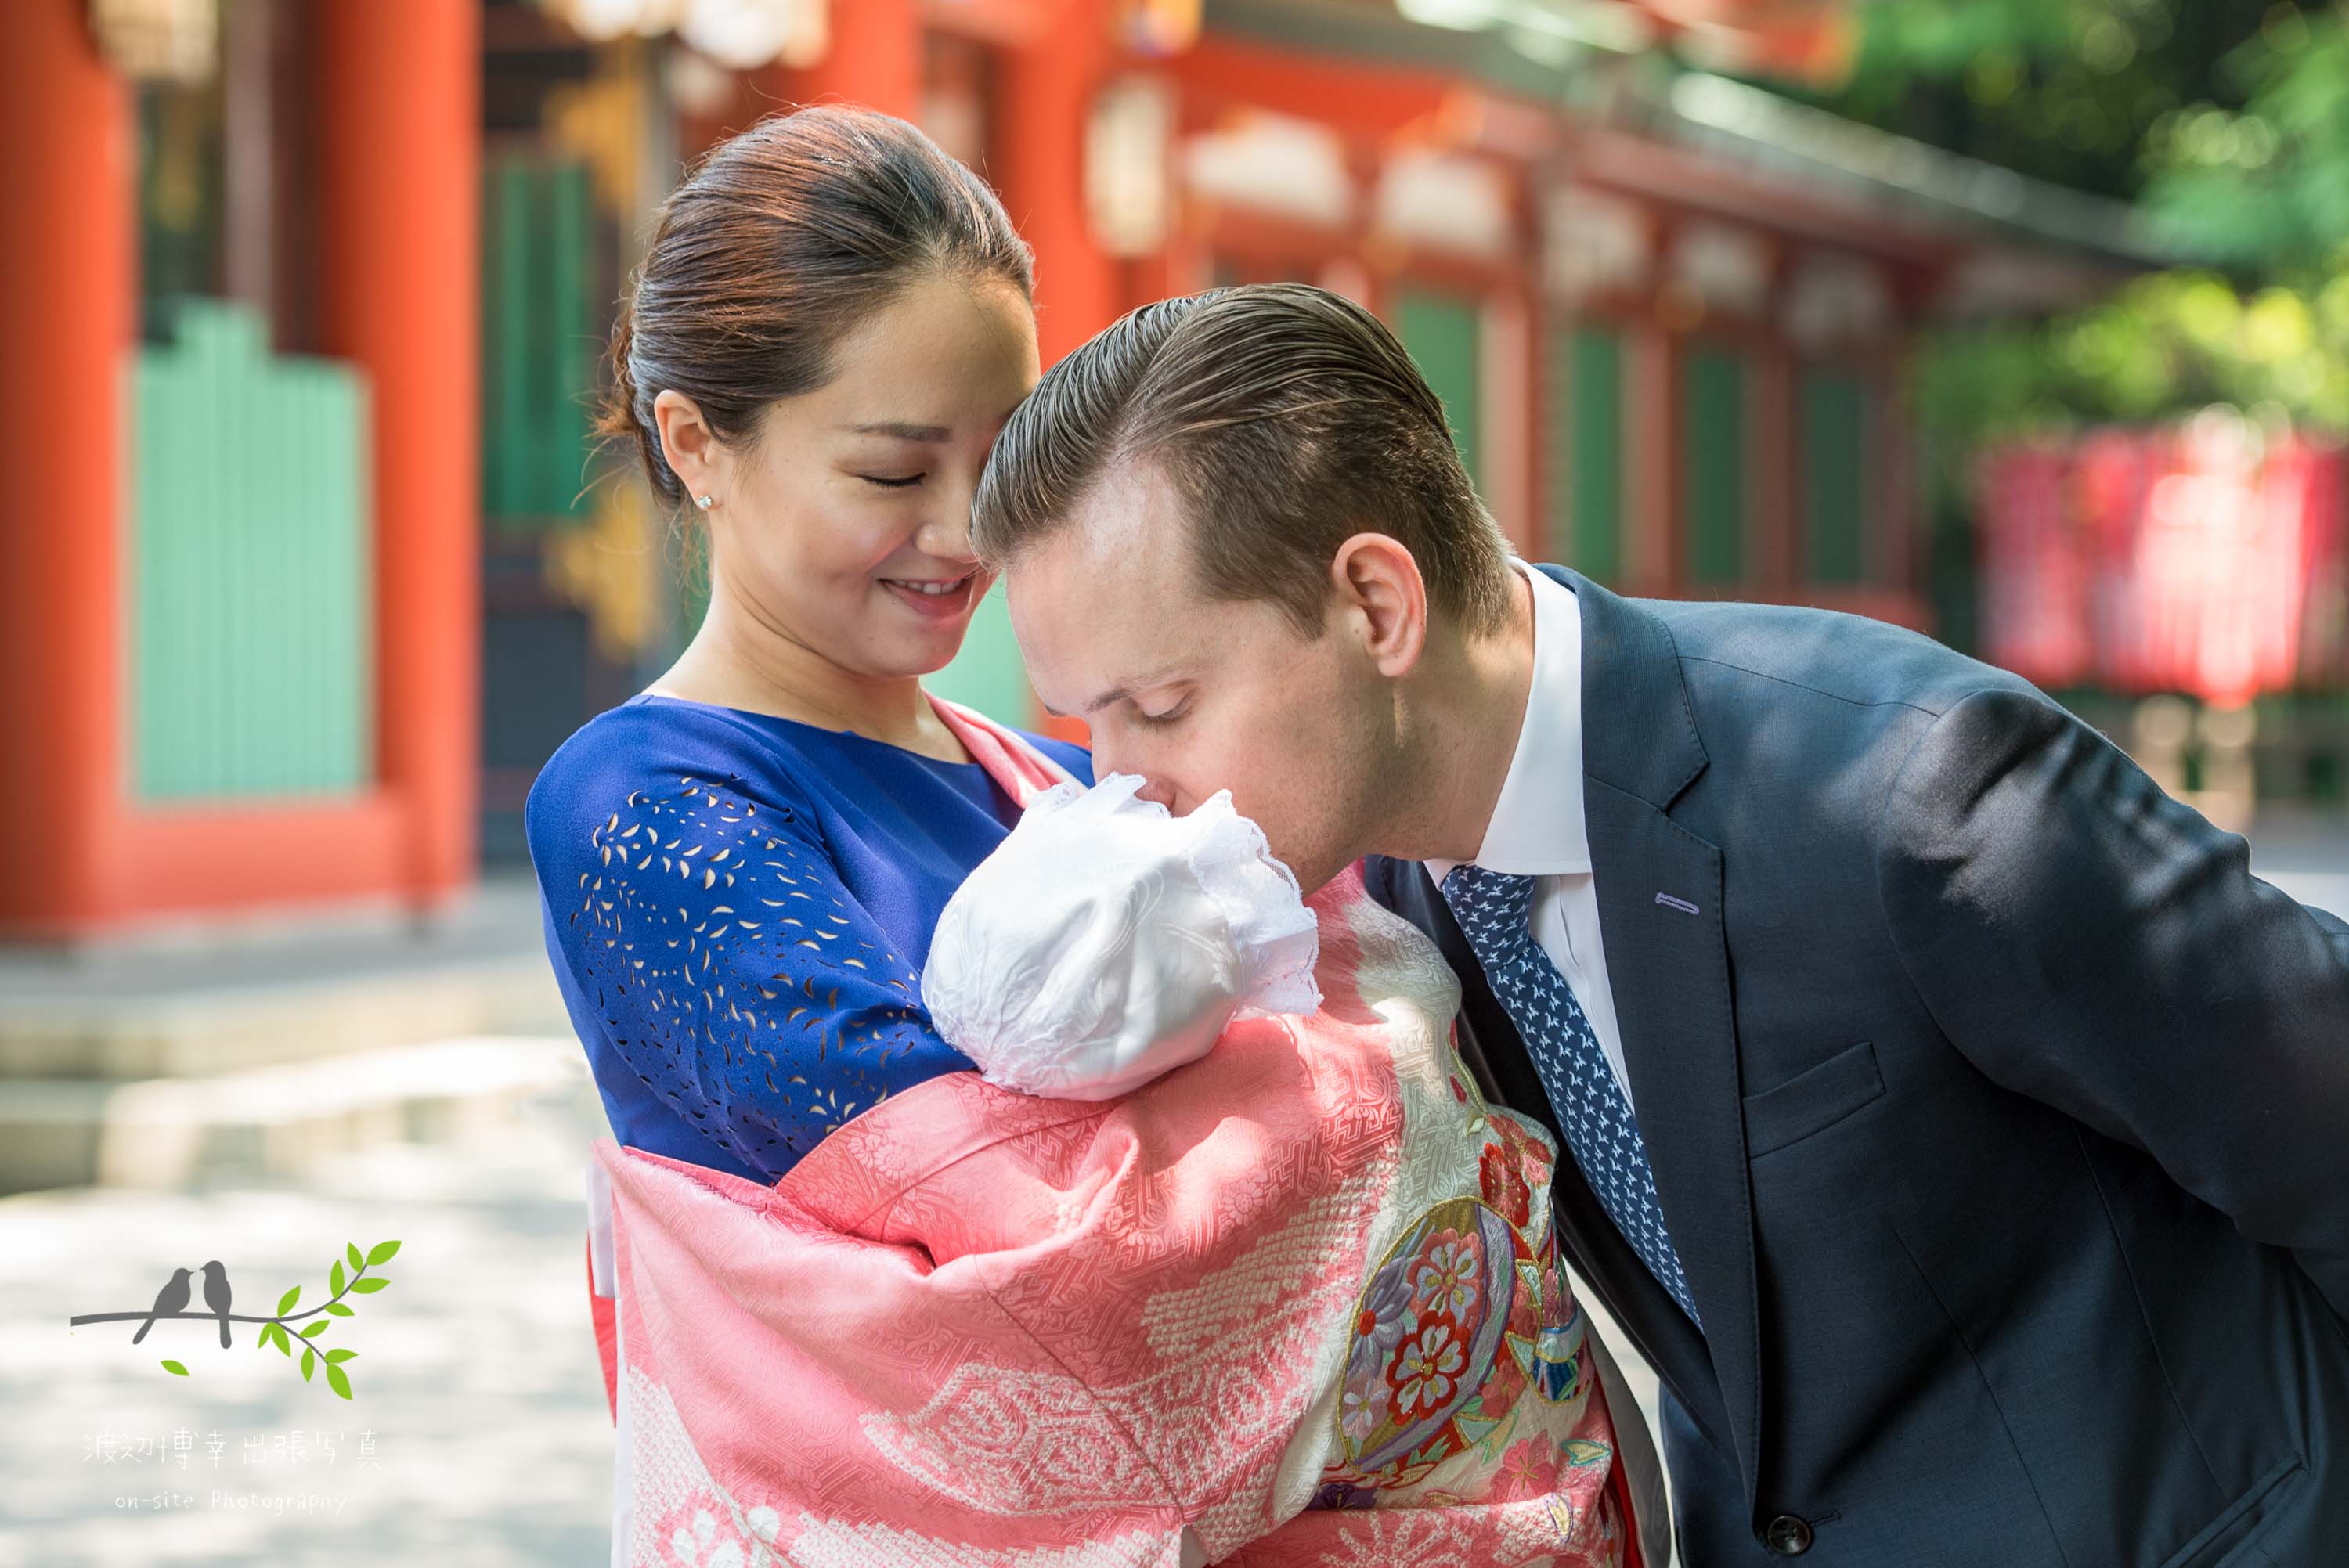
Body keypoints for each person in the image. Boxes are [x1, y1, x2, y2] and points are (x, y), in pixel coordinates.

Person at [972, 279, 2349, 1566]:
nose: (1122, 782)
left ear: (1377, 604)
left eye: (1157, 707)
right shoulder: (1371, 910)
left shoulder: (1908, 794)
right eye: (1082, 722)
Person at [525, 104, 1088, 1190]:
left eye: (1006, 458)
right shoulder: (645, 802)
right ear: (698, 446)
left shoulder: (1072, 784)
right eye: (894, 474)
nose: (970, 531)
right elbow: (972, 1177)